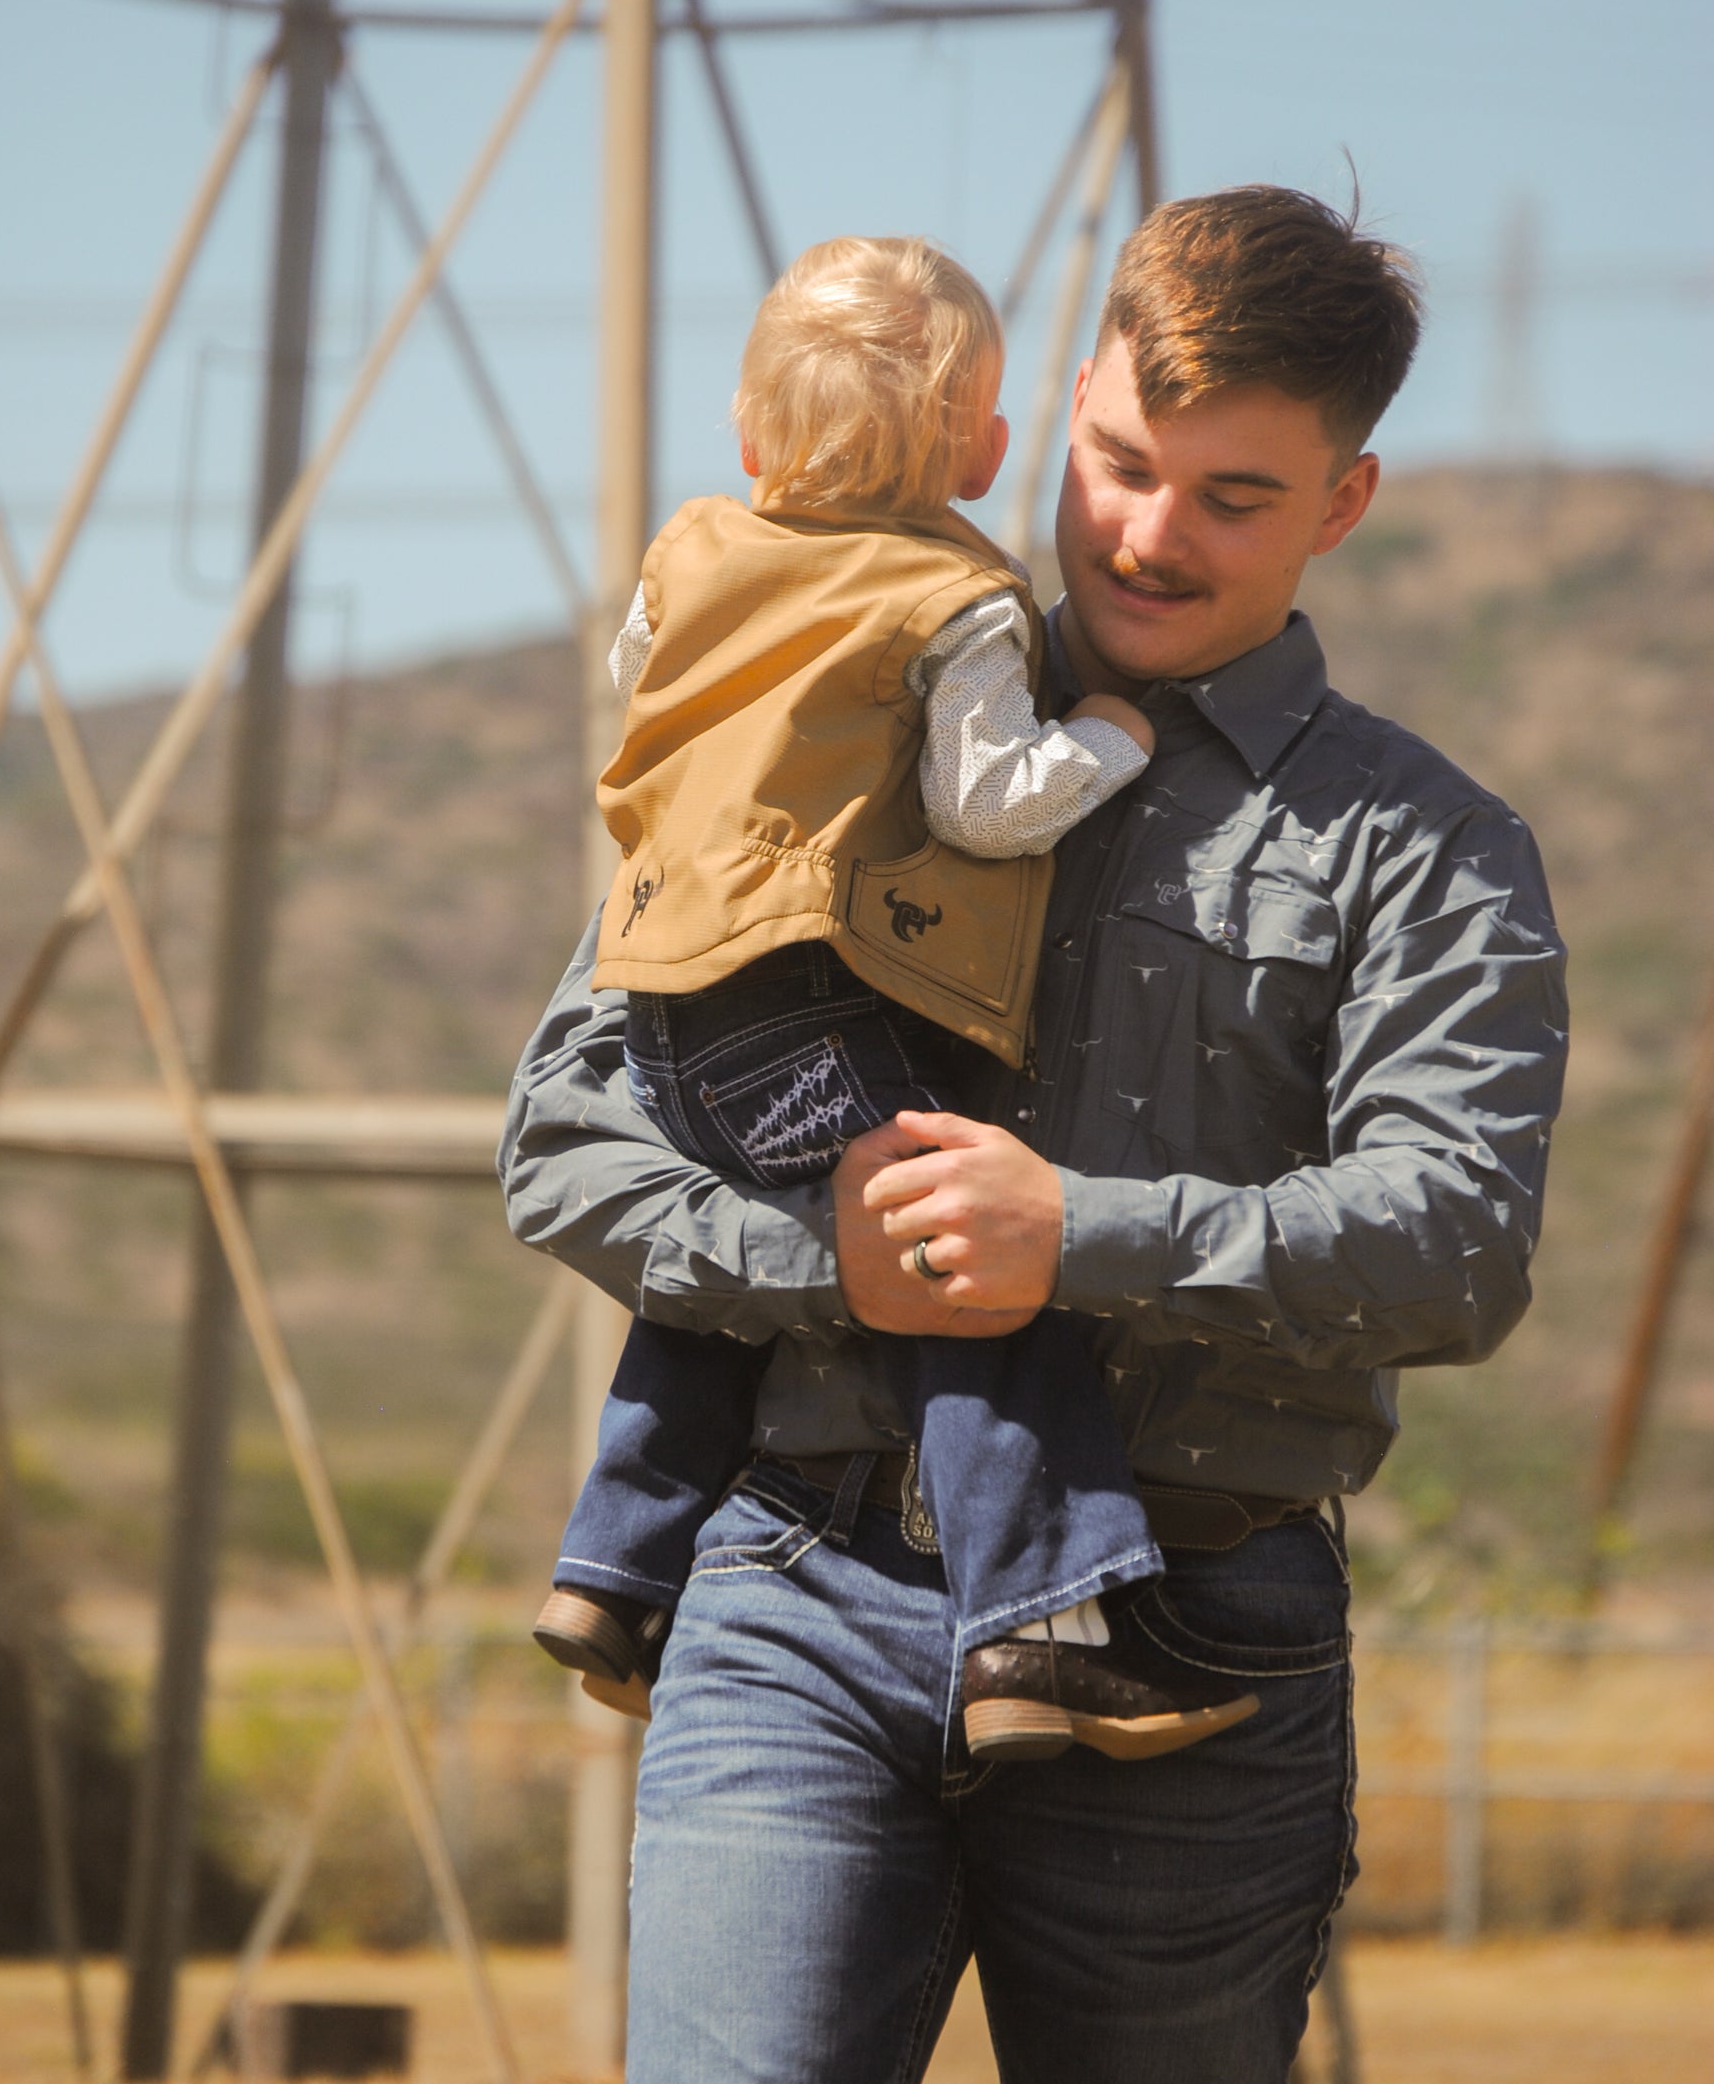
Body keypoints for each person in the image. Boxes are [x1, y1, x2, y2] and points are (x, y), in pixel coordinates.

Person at [501, 185, 1568, 2084]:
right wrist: (841, 1271)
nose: (1149, 530)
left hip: (1203, 1633)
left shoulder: (1419, 849)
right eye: (1113, 459)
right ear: (1045, 417)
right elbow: (562, 1147)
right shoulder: (830, 692)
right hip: (792, 1598)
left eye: (1231, 494)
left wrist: (1070, 1234)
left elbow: (1457, 1249)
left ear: (1345, 501)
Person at [535, 234, 1254, 1766]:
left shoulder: (693, 544)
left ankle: (611, 1576)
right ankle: (1044, 1633)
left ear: (747, 436)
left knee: (720, 1303)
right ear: (990, 450)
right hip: (807, 1002)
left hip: (667, 995)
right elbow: (991, 804)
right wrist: (1112, 739)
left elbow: (643, 673)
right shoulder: (954, 597)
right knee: (971, 1267)